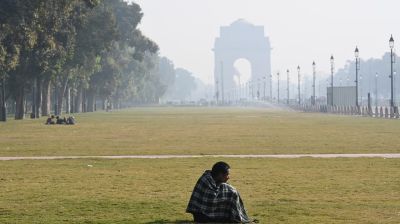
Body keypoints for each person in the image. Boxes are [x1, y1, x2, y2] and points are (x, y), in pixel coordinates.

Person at [186, 162, 255, 223]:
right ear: (220, 174)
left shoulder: (216, 180)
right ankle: (235, 217)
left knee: (232, 192)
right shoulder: (205, 180)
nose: (228, 177)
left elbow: (220, 188)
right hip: (201, 216)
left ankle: (233, 217)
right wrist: (232, 192)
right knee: (232, 193)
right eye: (227, 174)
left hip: (206, 216)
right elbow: (211, 198)